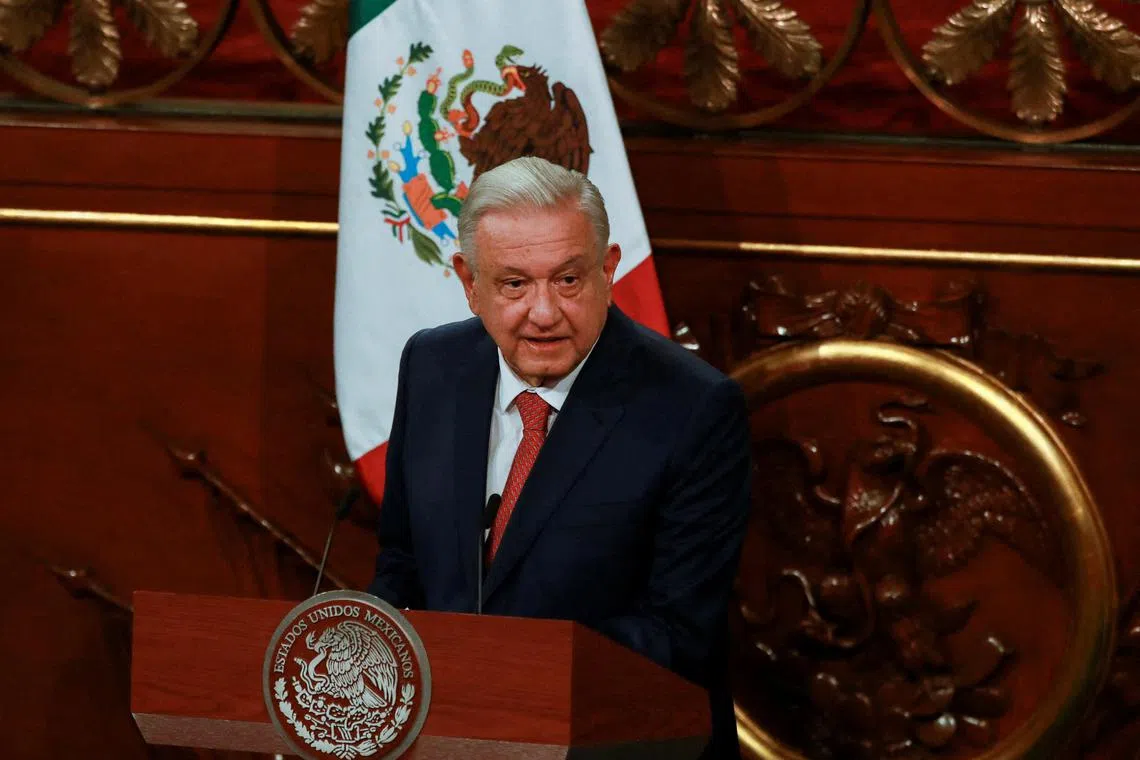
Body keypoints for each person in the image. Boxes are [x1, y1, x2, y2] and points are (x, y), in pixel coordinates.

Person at [367, 155, 751, 758]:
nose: (543, 313)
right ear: (470, 283)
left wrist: (501, 679)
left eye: (568, 280)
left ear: (608, 269)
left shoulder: (693, 407)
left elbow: (678, 633)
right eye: (514, 284)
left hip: (613, 742)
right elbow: (402, 558)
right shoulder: (432, 366)